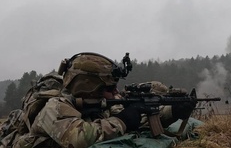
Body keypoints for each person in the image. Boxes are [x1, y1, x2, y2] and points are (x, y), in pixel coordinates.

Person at [9, 52, 195, 148]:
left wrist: (174, 112)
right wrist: (122, 121)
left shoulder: (101, 103)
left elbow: (142, 122)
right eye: (108, 88)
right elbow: (78, 139)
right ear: (88, 87)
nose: (115, 92)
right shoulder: (54, 106)